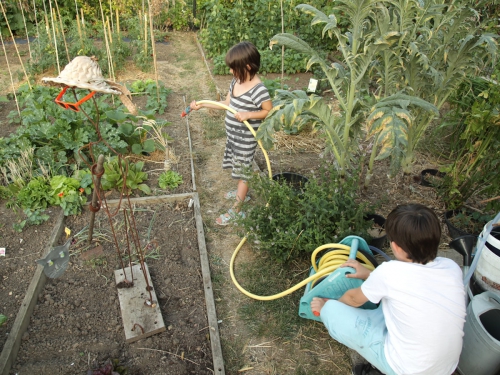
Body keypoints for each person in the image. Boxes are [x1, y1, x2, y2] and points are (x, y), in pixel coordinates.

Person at [311, 204, 466, 375]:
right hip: (446, 367)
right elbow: (409, 286)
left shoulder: (390, 272)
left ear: (396, 247)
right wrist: (371, 275)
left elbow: (354, 299)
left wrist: (329, 306)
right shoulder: (451, 267)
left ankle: (328, 311)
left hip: (407, 369)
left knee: (333, 311)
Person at [189, 41, 272, 225]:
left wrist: (249, 114)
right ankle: (241, 193)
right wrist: (202, 105)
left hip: (246, 140)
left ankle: (236, 211)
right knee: (239, 166)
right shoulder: (236, 81)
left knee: (244, 172)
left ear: (247, 67)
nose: (230, 72)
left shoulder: (259, 90)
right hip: (233, 136)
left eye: (233, 68)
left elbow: (268, 111)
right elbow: (225, 104)